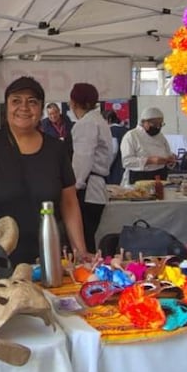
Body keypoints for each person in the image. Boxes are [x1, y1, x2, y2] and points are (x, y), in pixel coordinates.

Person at [0, 76, 87, 265]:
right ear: (6, 107)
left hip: (47, 259)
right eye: (16, 101)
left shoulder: (56, 149)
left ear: (41, 109)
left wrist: (80, 251)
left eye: (32, 102)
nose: (24, 107)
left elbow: (69, 203)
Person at [68, 83, 111, 254]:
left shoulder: (86, 124)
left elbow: (83, 158)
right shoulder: (98, 121)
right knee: (86, 238)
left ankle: (85, 276)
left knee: (81, 241)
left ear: (73, 102)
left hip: (87, 189)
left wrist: (73, 187)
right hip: (95, 187)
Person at [120, 107, 177, 185]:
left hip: (160, 176)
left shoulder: (160, 137)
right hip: (139, 178)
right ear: (143, 122)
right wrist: (149, 161)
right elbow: (127, 162)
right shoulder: (132, 136)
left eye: (160, 124)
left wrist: (170, 160)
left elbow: (167, 154)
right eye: (155, 124)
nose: (158, 127)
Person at [104, 110, 128, 185]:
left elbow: (113, 151)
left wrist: (106, 167)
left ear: (109, 119)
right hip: (126, 167)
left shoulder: (111, 131)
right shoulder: (126, 130)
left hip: (116, 168)